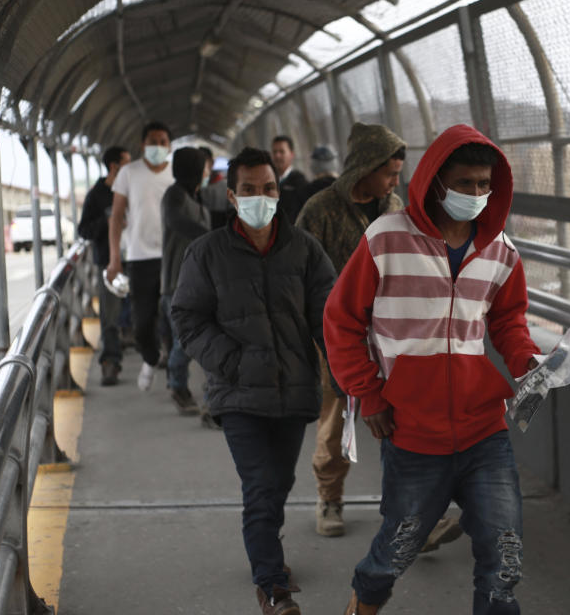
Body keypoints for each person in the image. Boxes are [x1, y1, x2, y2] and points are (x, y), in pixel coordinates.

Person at [323, 124, 541, 615]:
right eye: (466, 184)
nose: (478, 194)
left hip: (484, 429)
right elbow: (340, 320)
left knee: (504, 556)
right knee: (396, 550)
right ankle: (364, 601)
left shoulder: (501, 251)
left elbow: (508, 320)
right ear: (436, 183)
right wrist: (369, 393)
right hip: (412, 430)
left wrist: (530, 362)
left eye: (485, 184)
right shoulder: (385, 240)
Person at [171, 147, 335, 615]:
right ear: (231, 195)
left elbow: (329, 314)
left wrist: (346, 368)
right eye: (249, 190)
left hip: (294, 389)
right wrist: (232, 363)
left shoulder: (304, 249)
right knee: (260, 485)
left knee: (279, 483)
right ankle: (272, 587)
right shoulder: (207, 252)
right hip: (238, 392)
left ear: (277, 192)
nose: (259, 197)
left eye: (267, 189)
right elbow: (187, 315)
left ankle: (266, 555)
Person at [297, 123, 406, 538]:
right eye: (389, 173)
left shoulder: (393, 205)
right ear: (365, 167)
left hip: (388, 332)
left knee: (397, 421)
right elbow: (300, 272)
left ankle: (408, 511)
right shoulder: (320, 209)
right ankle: (329, 498)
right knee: (336, 419)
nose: (395, 182)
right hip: (335, 333)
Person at [107, 121, 174, 391]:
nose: (157, 146)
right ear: (142, 144)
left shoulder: (175, 174)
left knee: (175, 318)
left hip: (171, 256)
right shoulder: (128, 173)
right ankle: (150, 356)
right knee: (142, 321)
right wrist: (115, 258)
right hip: (139, 257)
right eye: (152, 141)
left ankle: (175, 373)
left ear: (169, 146)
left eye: (162, 141)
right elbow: (115, 218)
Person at [160, 147, 211, 415]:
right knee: (186, 340)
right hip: (175, 283)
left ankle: (204, 393)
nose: (206, 173)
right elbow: (175, 220)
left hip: (198, 283)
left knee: (197, 337)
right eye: (202, 167)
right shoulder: (174, 195)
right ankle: (177, 383)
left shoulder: (196, 197)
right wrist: (209, 236)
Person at [78, 145, 130, 385]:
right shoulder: (97, 194)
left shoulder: (132, 190)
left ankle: (137, 340)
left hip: (135, 257)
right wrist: (106, 220)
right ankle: (110, 363)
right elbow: (84, 230)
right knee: (109, 316)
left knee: (144, 308)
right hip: (108, 262)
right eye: (126, 164)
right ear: (114, 167)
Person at [271, 135, 308, 223]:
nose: (277, 156)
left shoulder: (299, 182)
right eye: (274, 152)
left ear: (291, 154)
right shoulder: (266, 181)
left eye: (281, 152)